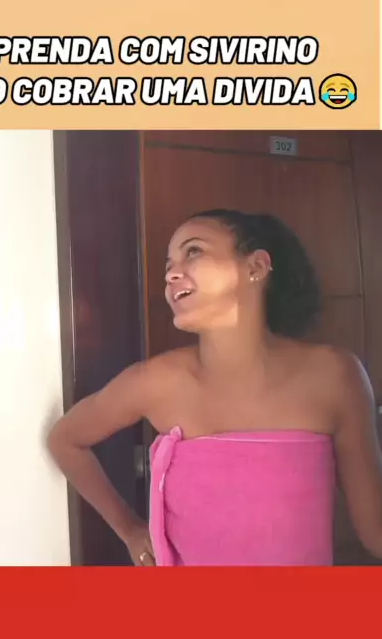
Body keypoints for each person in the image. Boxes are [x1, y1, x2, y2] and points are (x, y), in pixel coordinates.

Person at [47, 209, 382, 566]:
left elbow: (375, 533)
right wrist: (129, 530)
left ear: (256, 267)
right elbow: (65, 439)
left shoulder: (335, 377)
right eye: (168, 266)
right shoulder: (155, 383)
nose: (171, 275)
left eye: (193, 251)